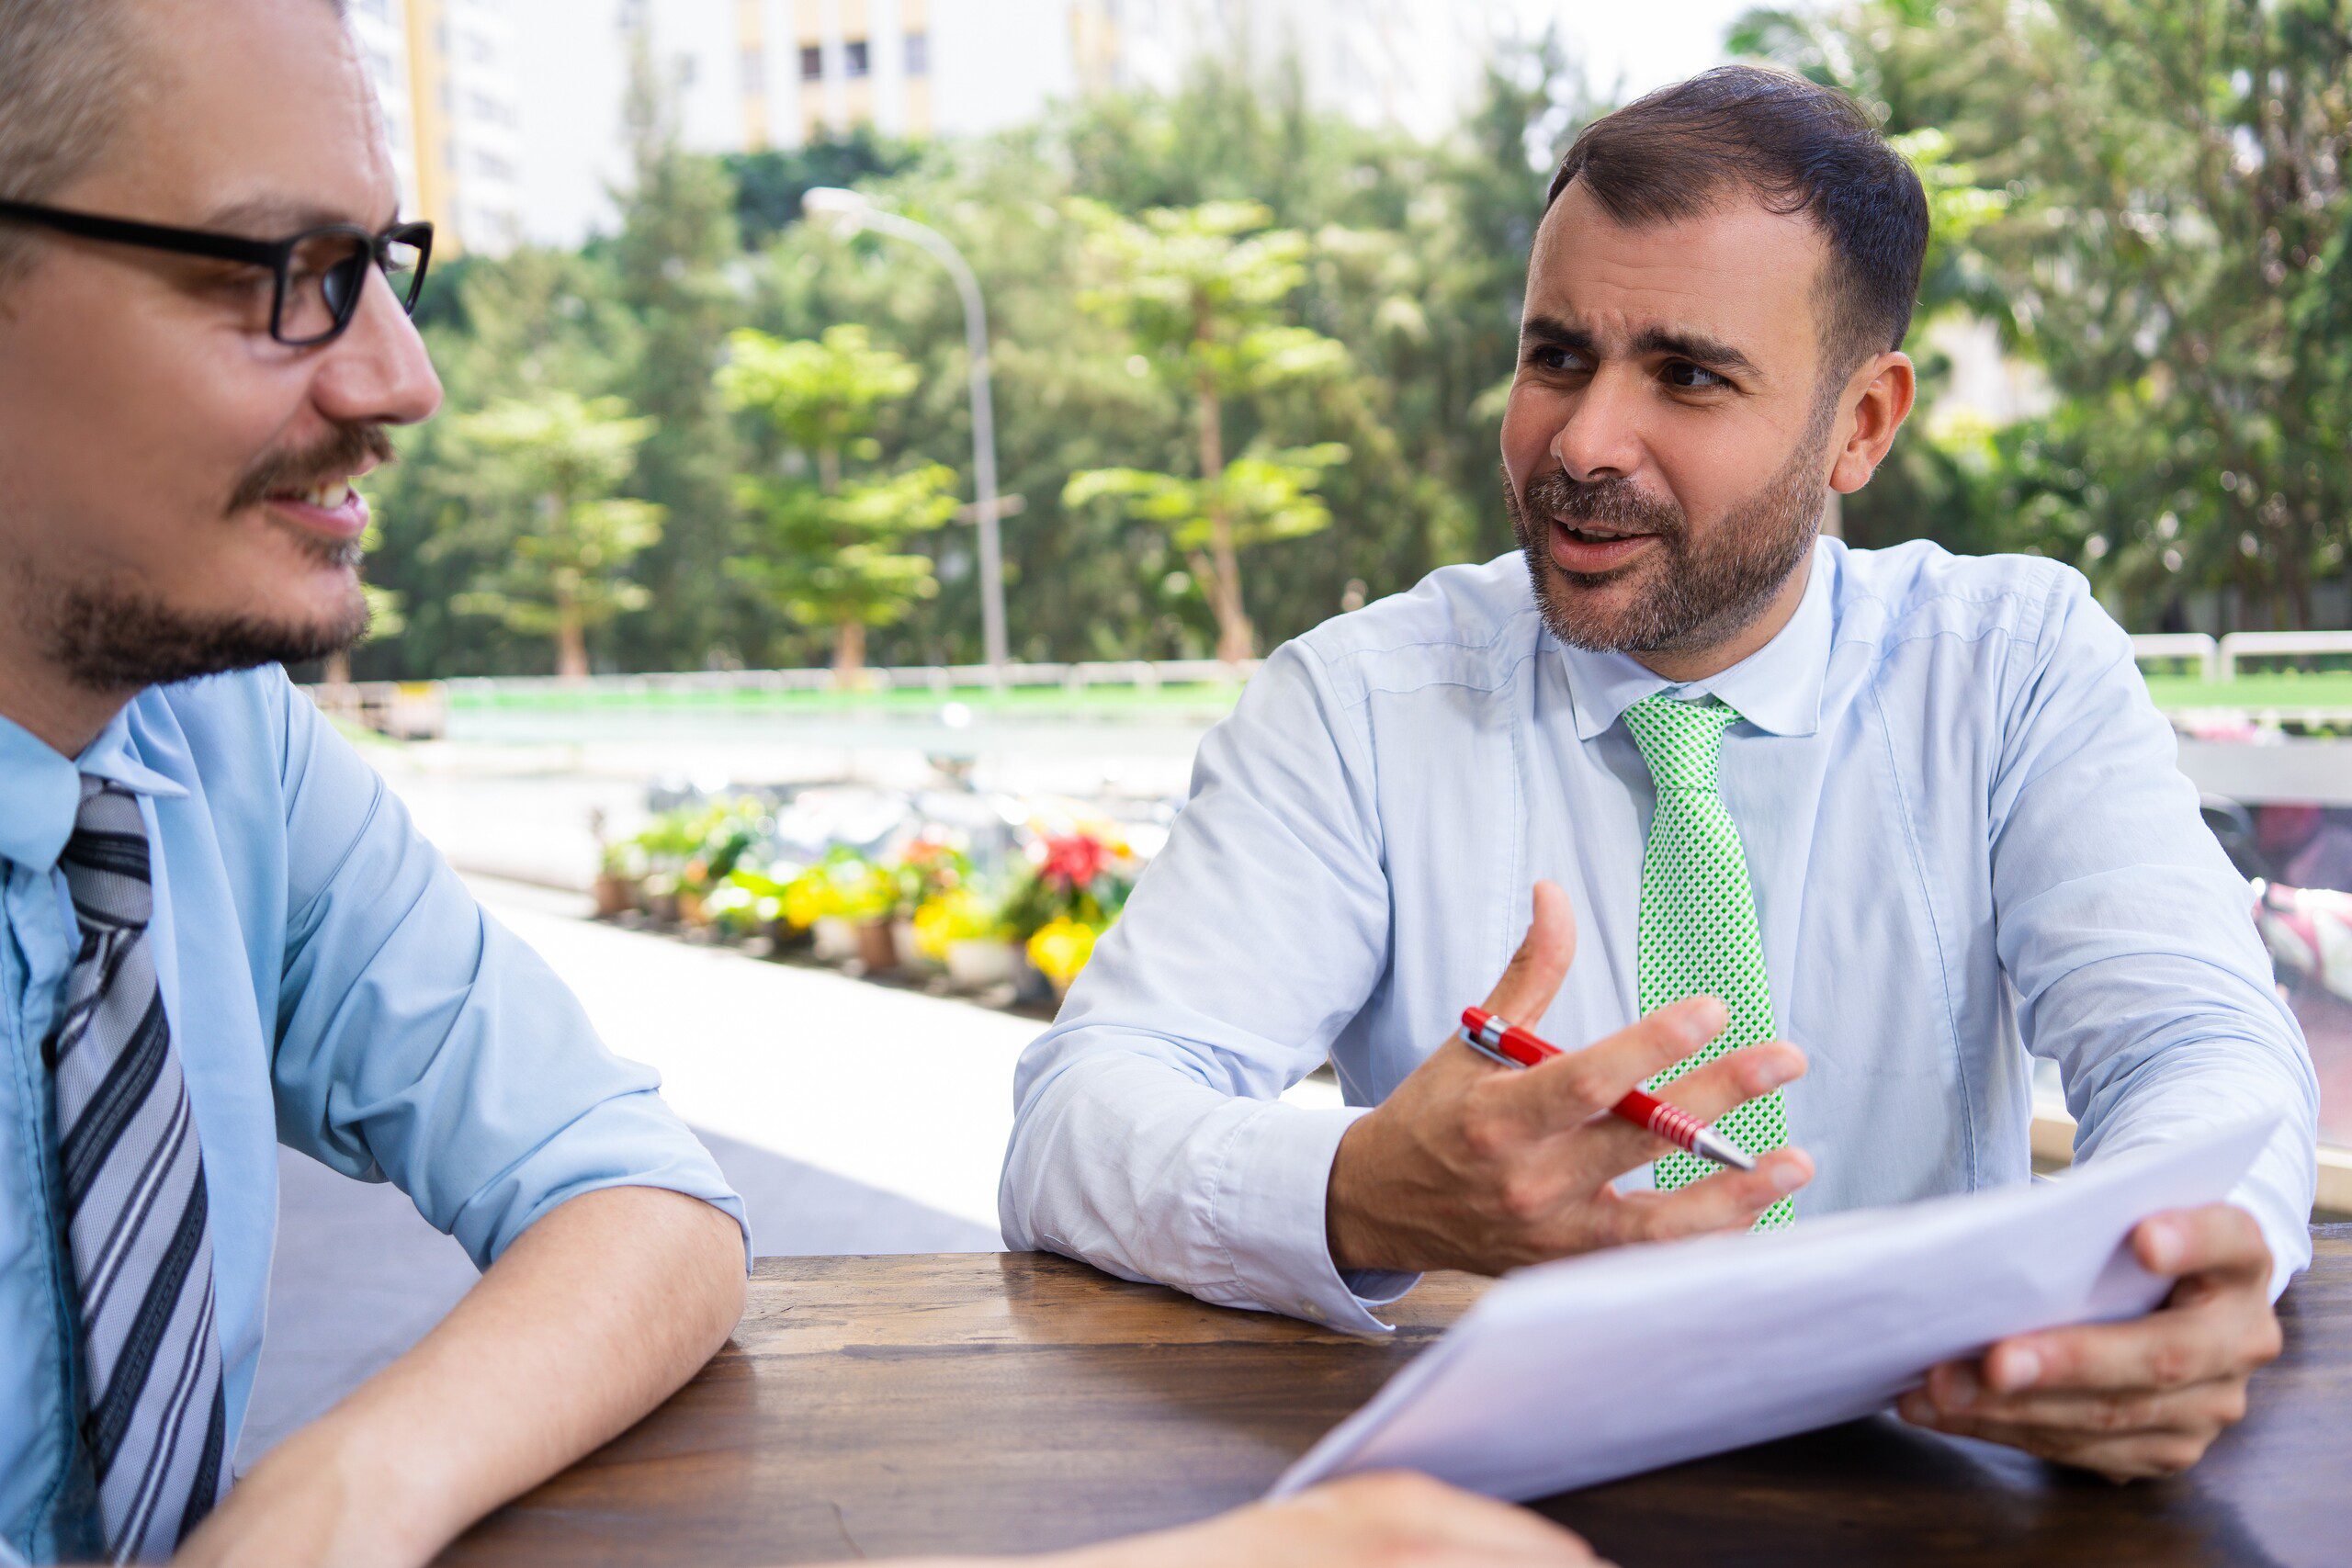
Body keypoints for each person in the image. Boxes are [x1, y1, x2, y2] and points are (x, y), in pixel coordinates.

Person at [0, 3, 1599, 1564]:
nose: (402, 380)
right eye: (286, 276)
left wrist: (326, 1507)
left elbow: (635, 1195)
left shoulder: (214, 748)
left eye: (379, 268)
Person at [1001, 64, 2319, 1485]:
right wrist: (1364, 1191)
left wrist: (2177, 1275)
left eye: (1686, 375)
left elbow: (2201, 1052)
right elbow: (1079, 1121)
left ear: (1861, 426)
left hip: (1943, 1480)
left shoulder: (2013, 664)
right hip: (1498, 1504)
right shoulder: (1356, 704)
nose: (1581, 443)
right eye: (1557, 355)